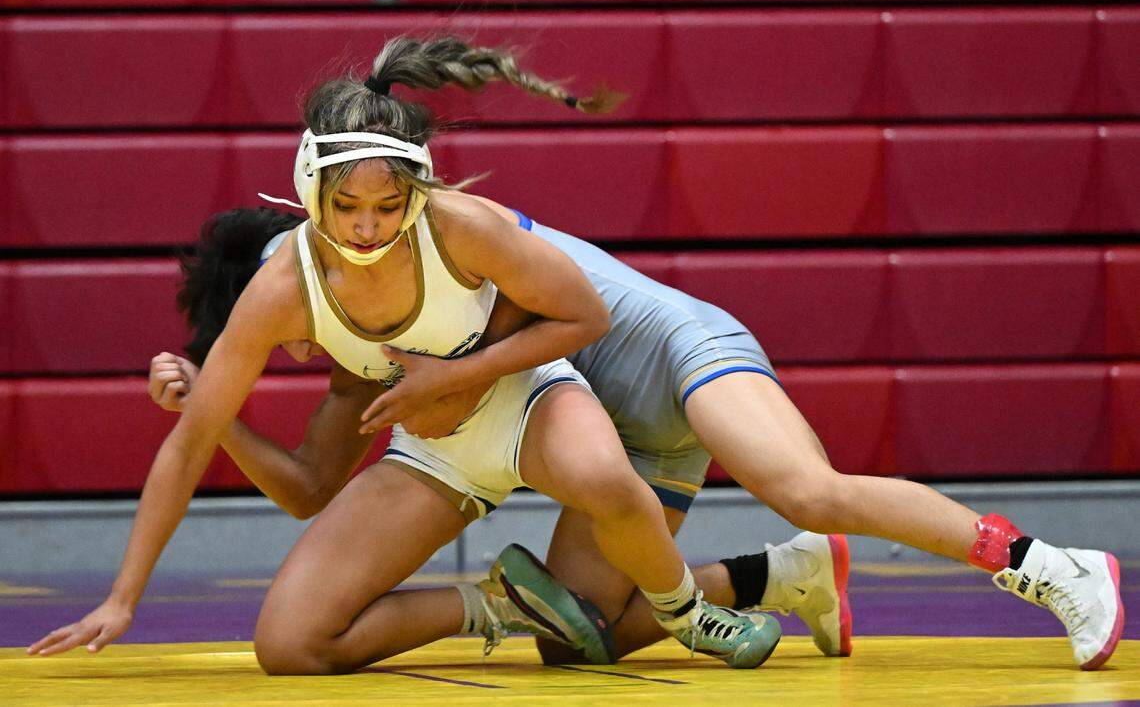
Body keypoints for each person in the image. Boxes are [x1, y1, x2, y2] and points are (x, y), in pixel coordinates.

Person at [27, 36, 783, 673]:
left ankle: (689, 612)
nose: (365, 228)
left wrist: (458, 374)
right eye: (346, 208)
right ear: (308, 189)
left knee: (605, 479)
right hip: (435, 449)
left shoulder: (463, 224)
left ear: (417, 191)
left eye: (388, 207)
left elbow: (584, 313)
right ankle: (495, 603)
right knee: (290, 644)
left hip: (521, 393)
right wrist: (124, 595)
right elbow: (193, 447)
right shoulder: (282, 290)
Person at [161, 196, 1123, 671]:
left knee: (810, 486)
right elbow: (309, 483)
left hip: (666, 352)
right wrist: (217, 408)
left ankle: (1051, 565)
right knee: (579, 638)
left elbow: (542, 323)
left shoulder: (419, 239)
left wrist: (450, 381)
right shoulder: (356, 324)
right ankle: (783, 577)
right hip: (610, 424)